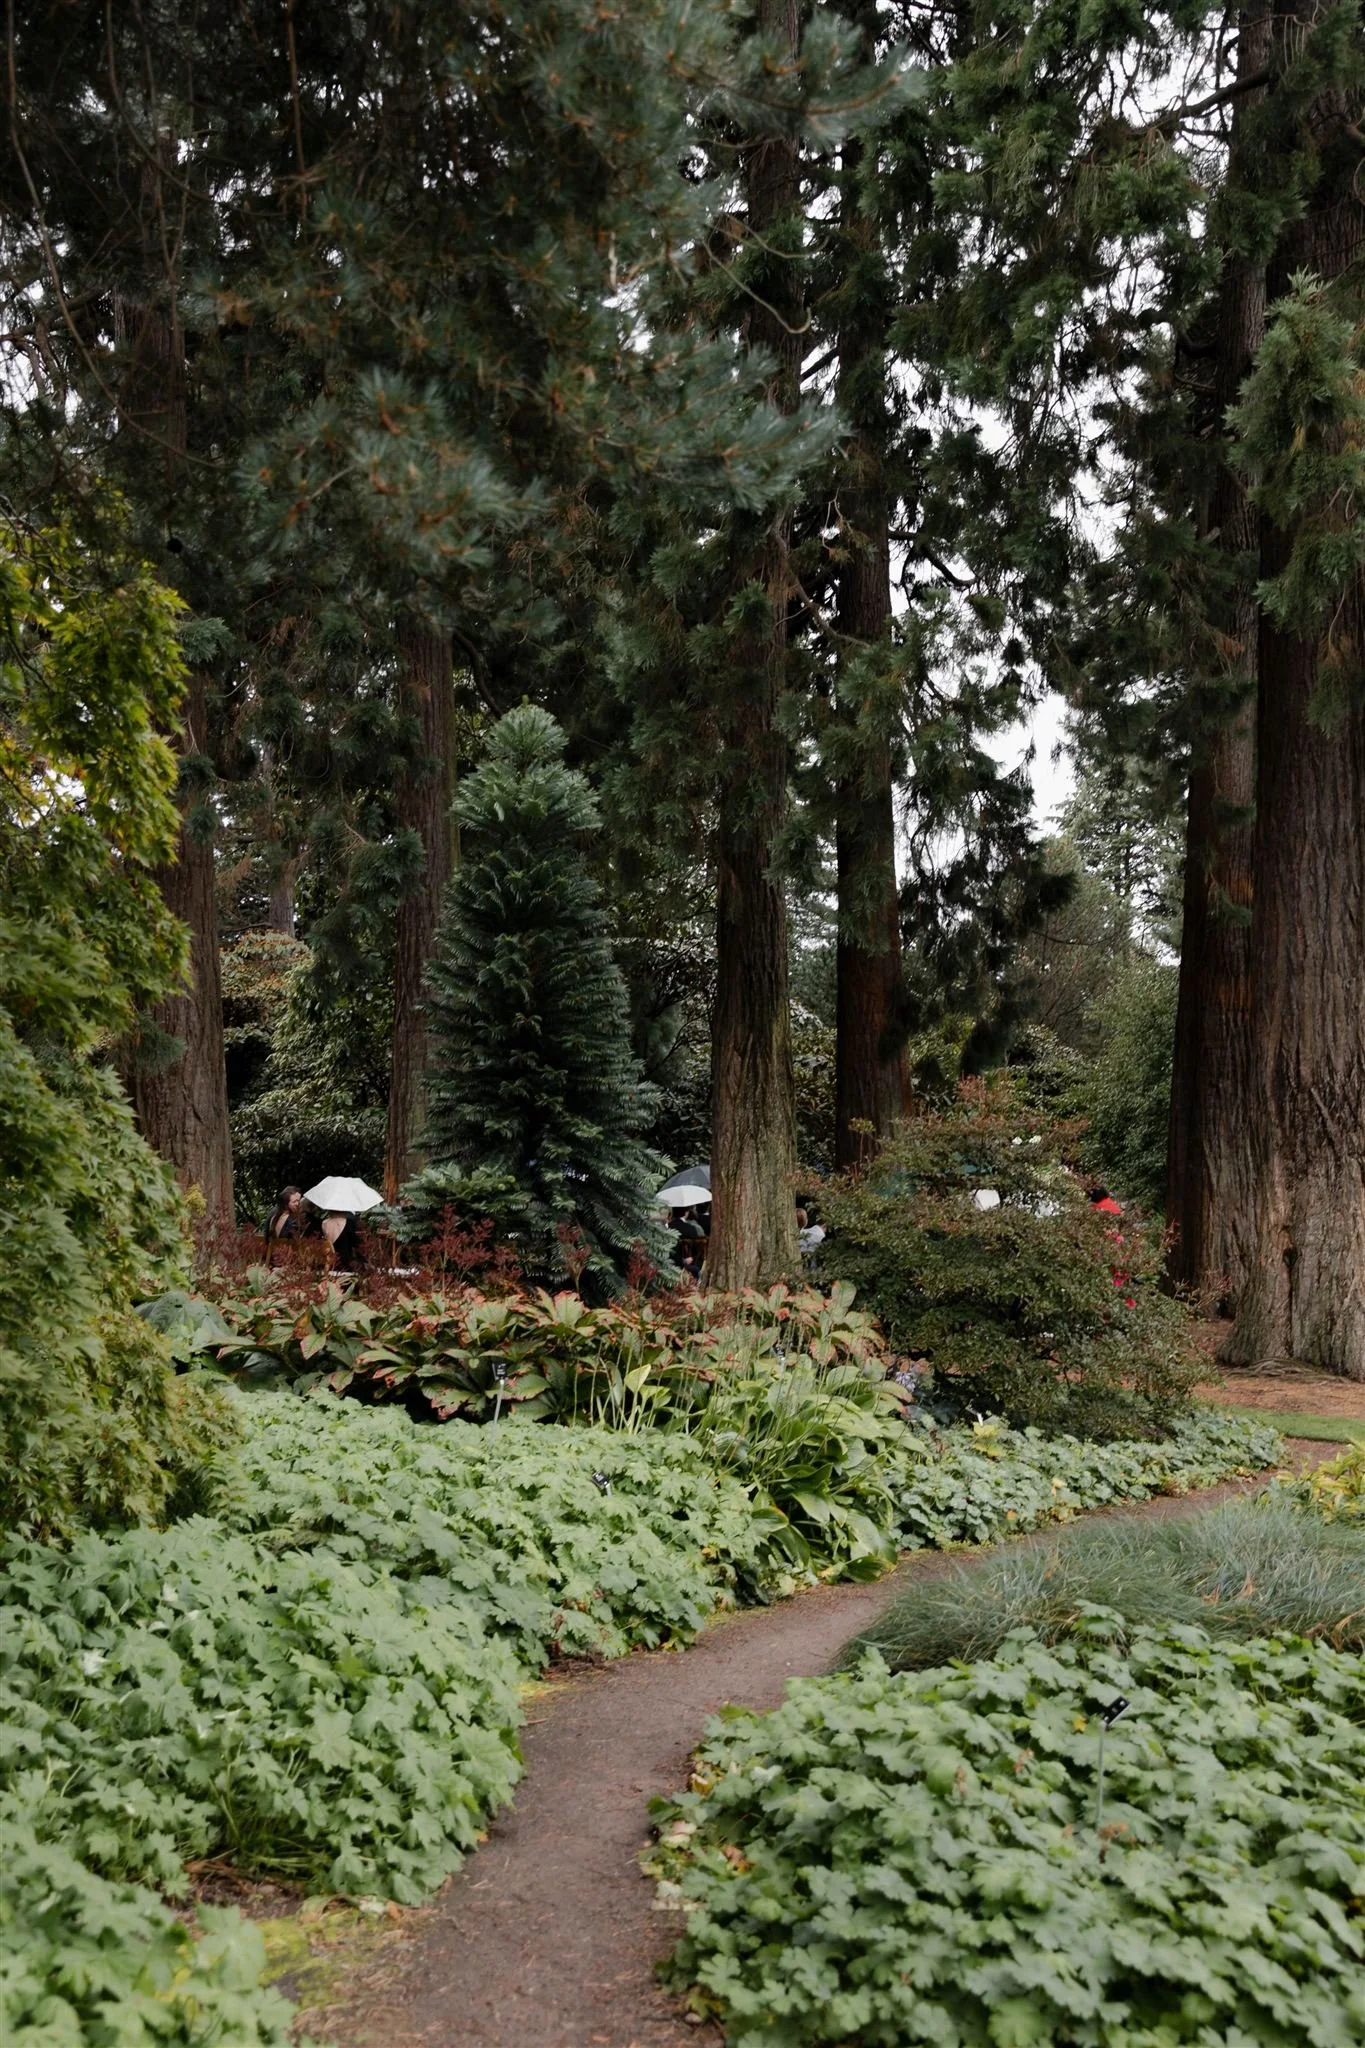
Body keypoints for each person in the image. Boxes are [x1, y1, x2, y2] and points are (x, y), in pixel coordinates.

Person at [264, 1186, 303, 1264]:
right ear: (286, 1202)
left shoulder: (272, 1212)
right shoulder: (292, 1220)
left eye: (299, 1201)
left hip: (270, 1256)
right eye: (294, 1201)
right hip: (286, 1259)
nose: (298, 1204)